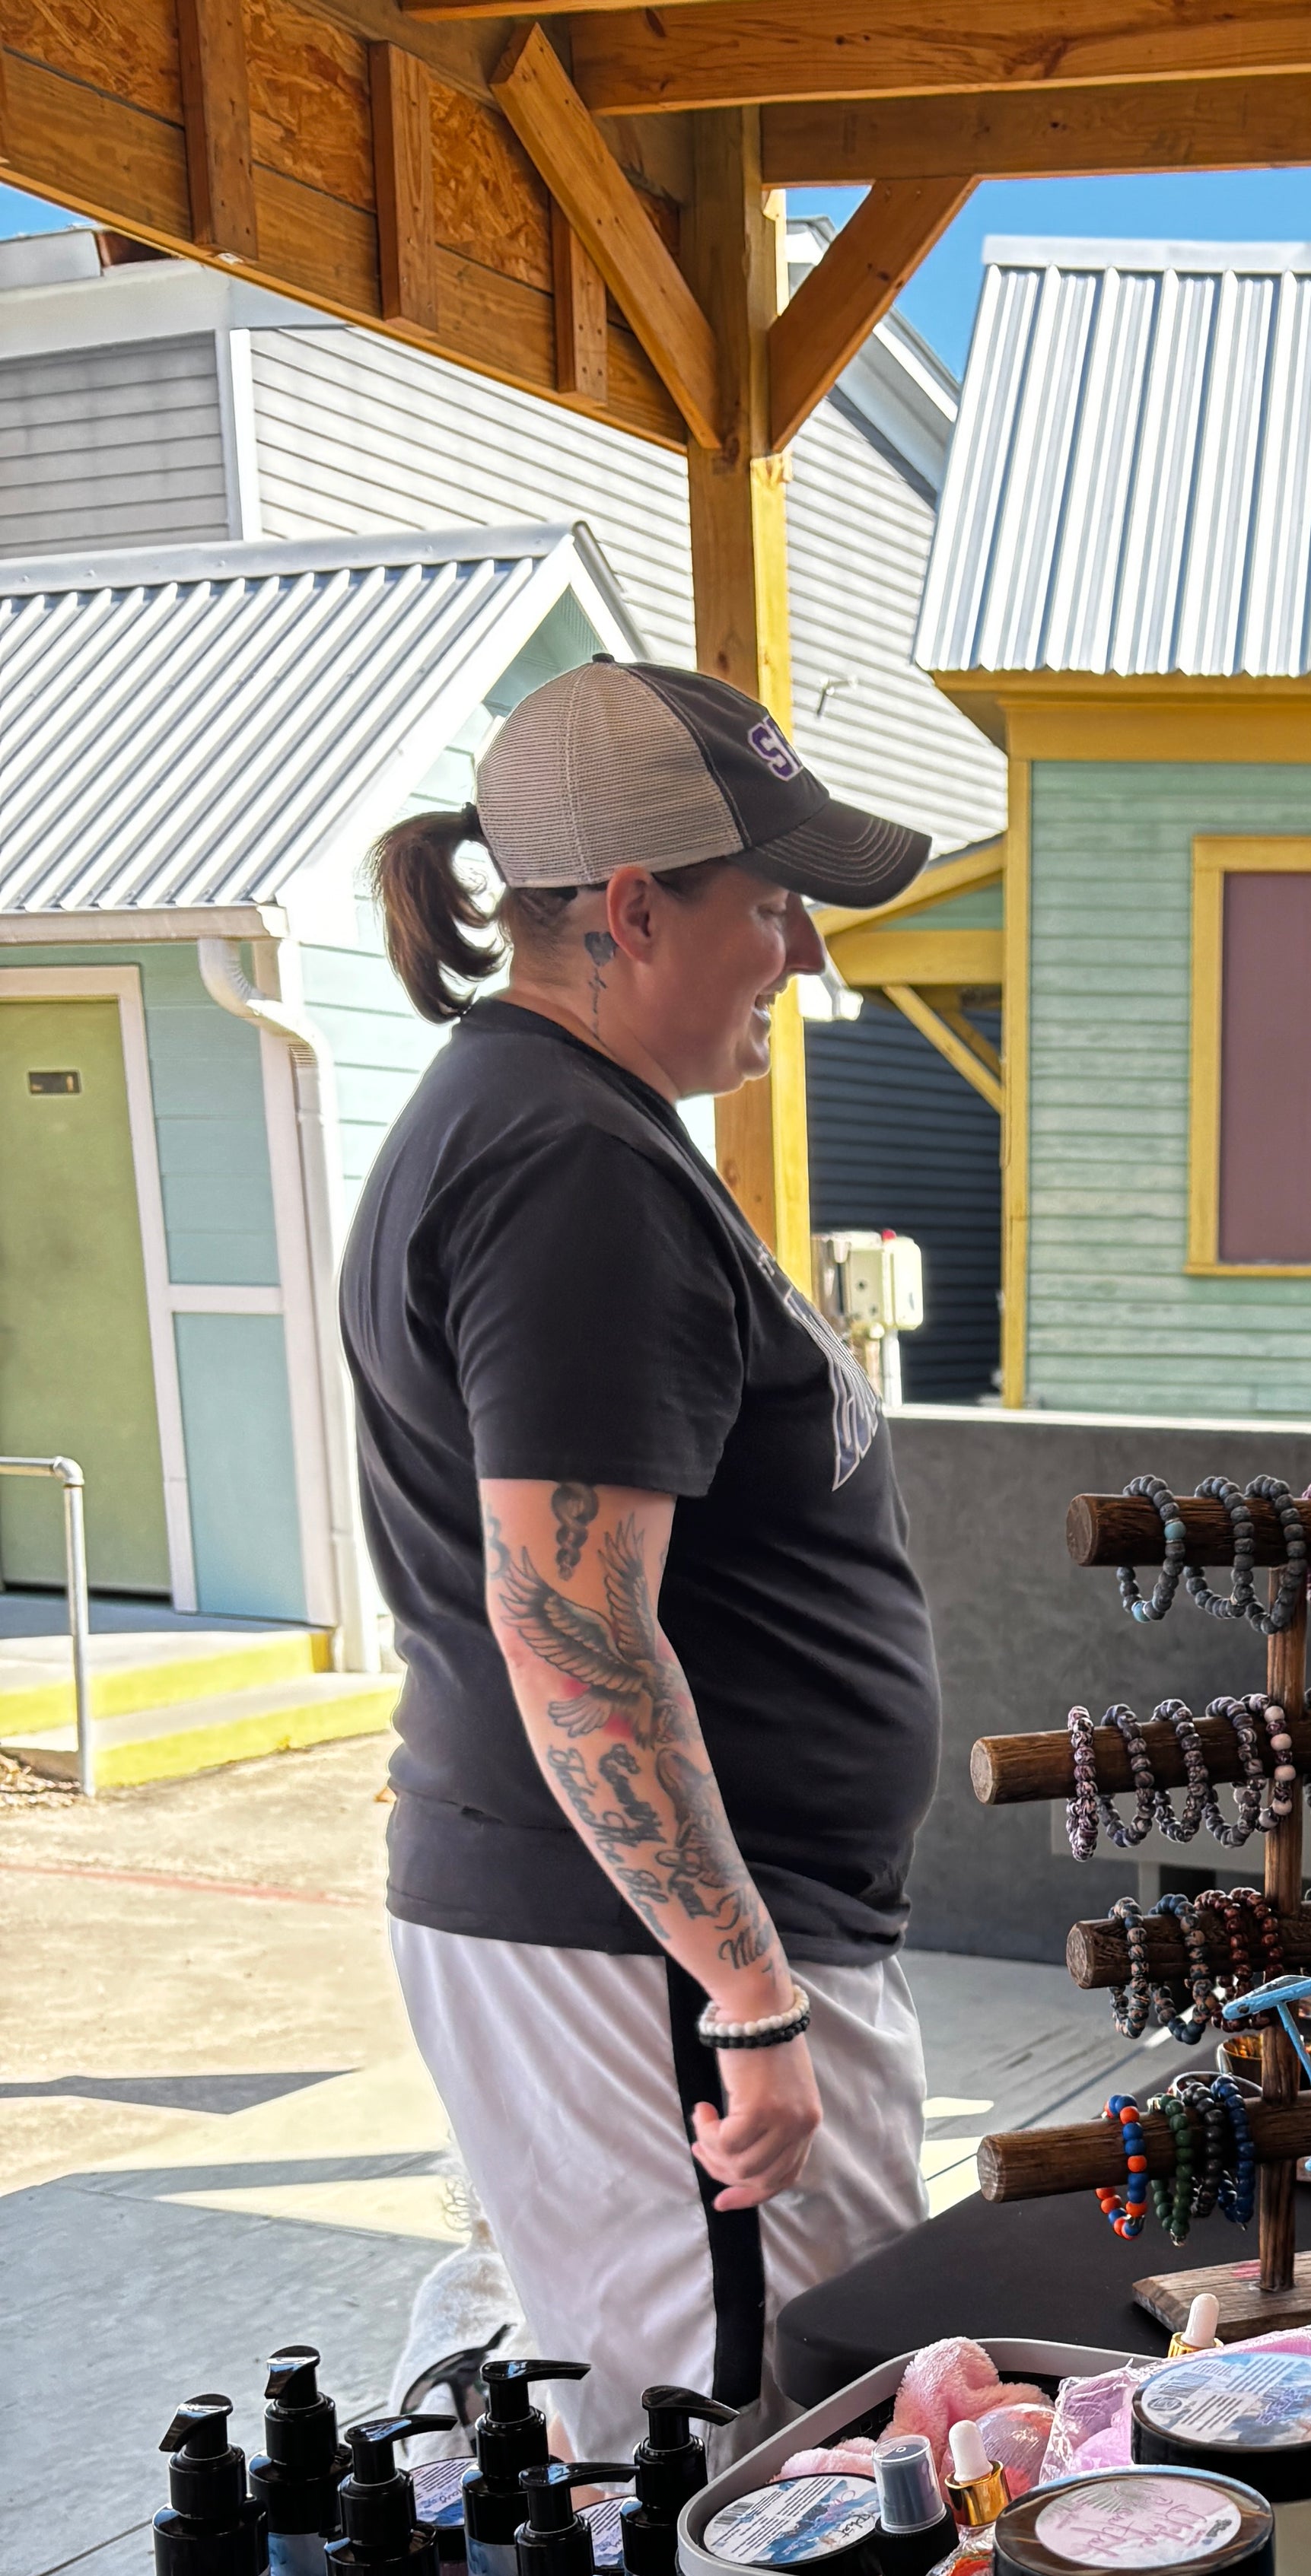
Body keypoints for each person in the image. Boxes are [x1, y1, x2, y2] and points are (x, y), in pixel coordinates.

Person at [344, 657, 942, 2463]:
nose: (801, 956)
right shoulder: (564, 1171)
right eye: (769, 909)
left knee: (797, 2423)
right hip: (658, 1959)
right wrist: (750, 1997)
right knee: (753, 2463)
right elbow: (575, 1636)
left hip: (674, 1940)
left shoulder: (564, 1131)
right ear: (626, 909)